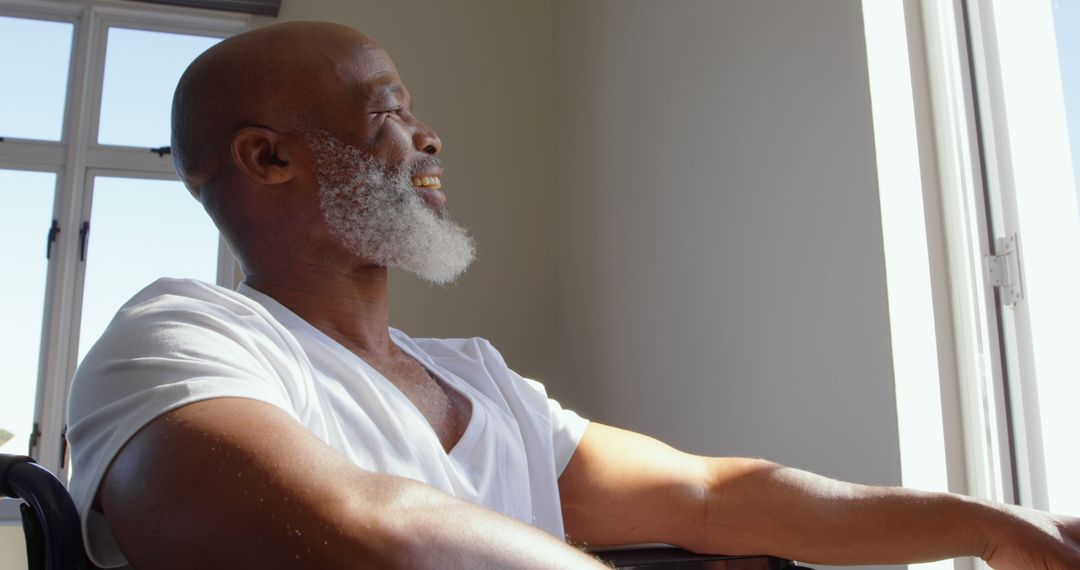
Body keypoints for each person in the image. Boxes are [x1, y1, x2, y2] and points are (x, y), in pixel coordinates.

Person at [67, 20, 1079, 570]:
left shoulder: (479, 378)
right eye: (388, 112)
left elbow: (717, 496)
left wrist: (986, 523)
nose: (428, 139)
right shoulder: (180, 337)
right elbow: (360, 532)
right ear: (268, 158)